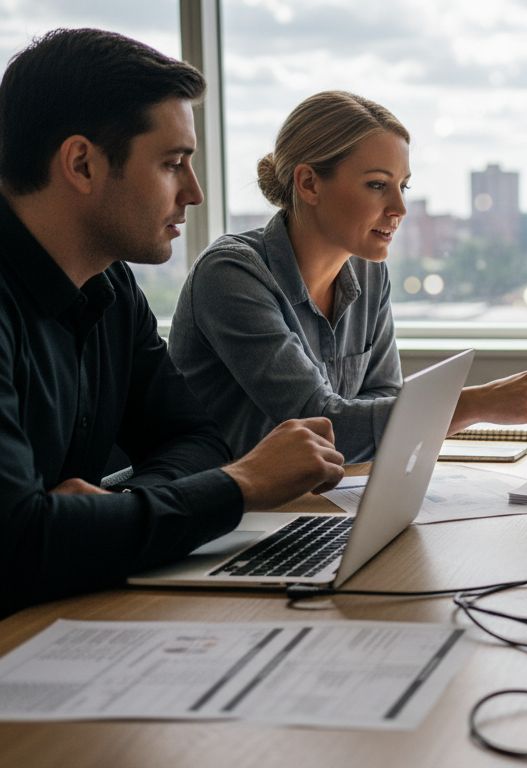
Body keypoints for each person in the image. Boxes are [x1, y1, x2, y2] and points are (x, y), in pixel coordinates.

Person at [0, 29, 346, 616]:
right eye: (172, 163)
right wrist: (242, 486)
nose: (194, 192)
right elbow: (18, 546)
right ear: (82, 163)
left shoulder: (110, 285)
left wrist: (113, 511)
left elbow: (197, 438)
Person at [168, 91, 527, 463]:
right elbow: (321, 425)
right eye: (376, 185)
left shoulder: (368, 272)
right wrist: (476, 404)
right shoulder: (231, 275)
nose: (399, 208)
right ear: (309, 183)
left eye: (403, 185)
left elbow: (383, 397)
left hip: (317, 501)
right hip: (228, 517)